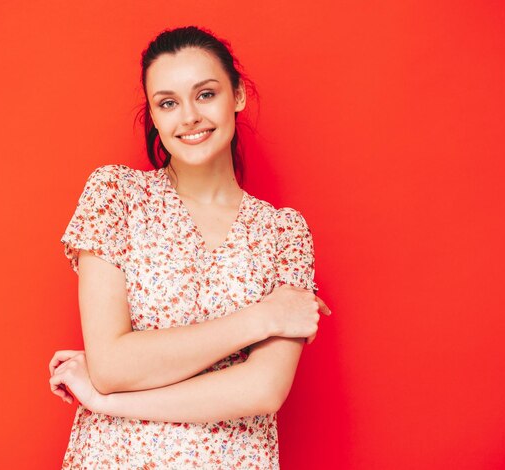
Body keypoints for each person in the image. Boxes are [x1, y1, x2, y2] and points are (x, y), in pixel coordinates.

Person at [48, 25, 331, 469]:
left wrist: (109, 402)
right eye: (167, 103)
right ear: (154, 118)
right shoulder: (115, 197)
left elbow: (262, 390)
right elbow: (111, 367)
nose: (189, 118)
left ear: (236, 96)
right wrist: (263, 317)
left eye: (205, 94)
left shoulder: (283, 233)